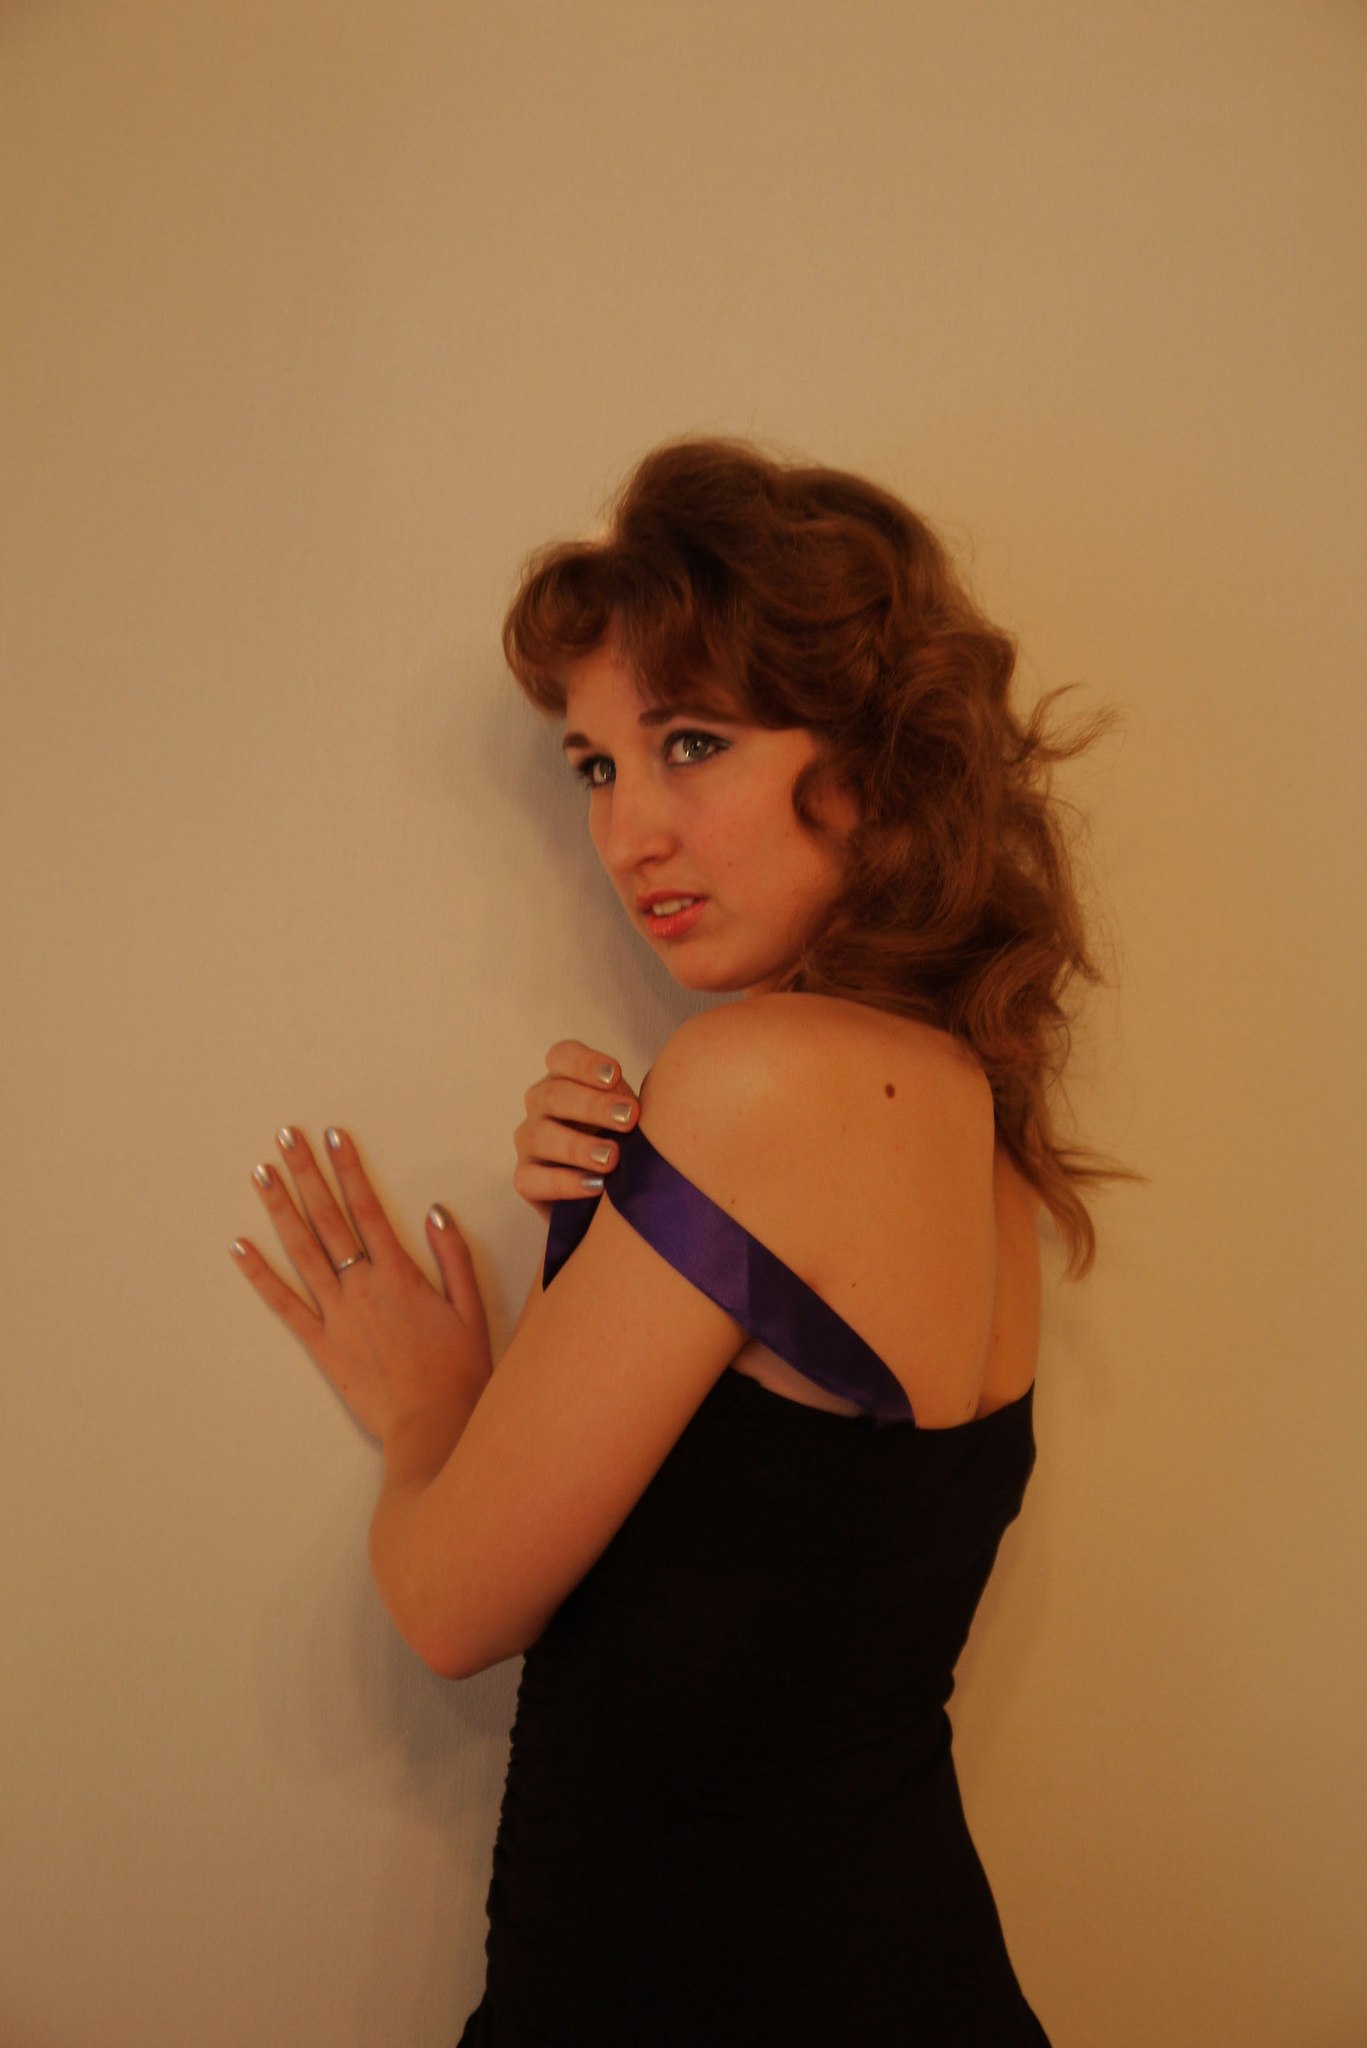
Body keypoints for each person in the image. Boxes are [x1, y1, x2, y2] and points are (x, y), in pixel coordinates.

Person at [230, 436, 1143, 2044]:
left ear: (878, 754)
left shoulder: (761, 1079)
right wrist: (606, 1222)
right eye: (596, 766)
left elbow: (449, 1610)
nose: (628, 832)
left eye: (693, 743)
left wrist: (433, 1410)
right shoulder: (965, 1112)